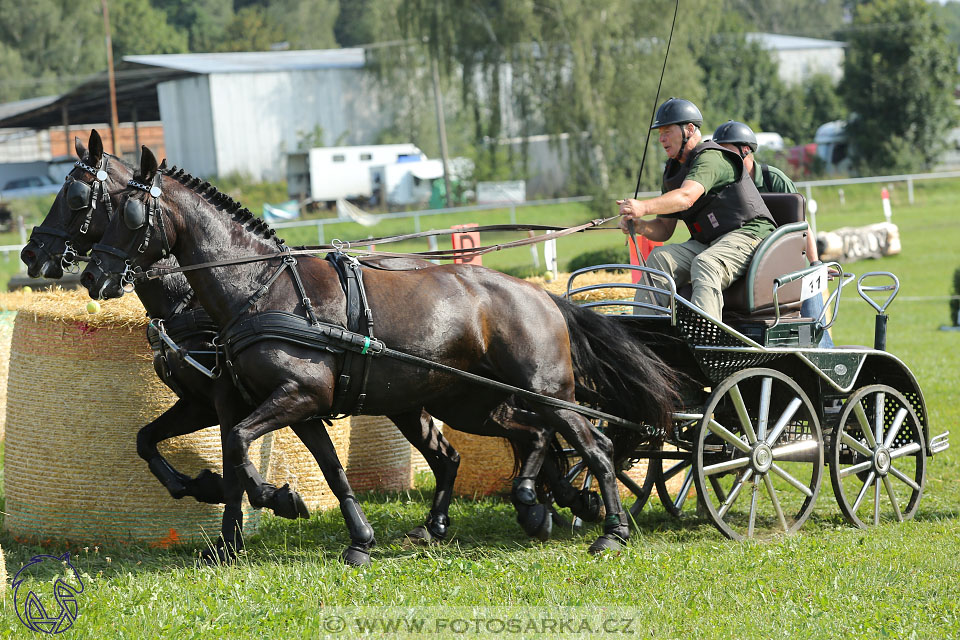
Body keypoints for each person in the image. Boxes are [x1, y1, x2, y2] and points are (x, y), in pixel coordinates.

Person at [618, 98, 775, 320]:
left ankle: (707, 343)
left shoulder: (711, 158)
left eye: (667, 131)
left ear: (689, 129)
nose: (661, 139)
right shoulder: (673, 171)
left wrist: (642, 207)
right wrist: (639, 225)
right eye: (659, 133)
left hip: (749, 234)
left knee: (706, 263)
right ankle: (645, 336)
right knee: (659, 258)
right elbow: (664, 228)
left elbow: (686, 197)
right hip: (711, 242)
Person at [712, 120, 834, 347]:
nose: (722, 160)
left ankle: (823, 353)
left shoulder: (773, 179)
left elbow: (801, 226)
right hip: (745, 264)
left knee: (809, 292)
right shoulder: (723, 186)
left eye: (726, 153)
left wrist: (815, 263)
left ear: (745, 150)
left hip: (784, 265)